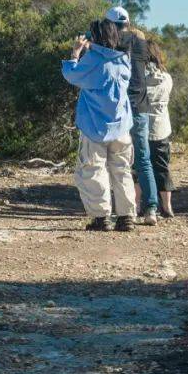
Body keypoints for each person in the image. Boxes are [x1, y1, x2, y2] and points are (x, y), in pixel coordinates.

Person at [61, 19, 138, 232]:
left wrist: (76, 53)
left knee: (94, 171)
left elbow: (71, 75)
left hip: (95, 126)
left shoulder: (93, 59)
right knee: (122, 170)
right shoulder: (124, 60)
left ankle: (101, 217)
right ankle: (126, 217)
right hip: (121, 126)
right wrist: (93, 48)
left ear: (95, 36)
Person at [106, 6, 159, 226]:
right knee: (143, 160)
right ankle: (151, 208)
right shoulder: (141, 43)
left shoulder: (111, 43)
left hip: (120, 107)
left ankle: (120, 209)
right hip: (141, 106)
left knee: (117, 159)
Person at [144, 39, 175, 217]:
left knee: (139, 167)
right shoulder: (167, 78)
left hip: (142, 127)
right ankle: (167, 206)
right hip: (162, 127)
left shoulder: (139, 78)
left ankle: (138, 205)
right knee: (162, 168)